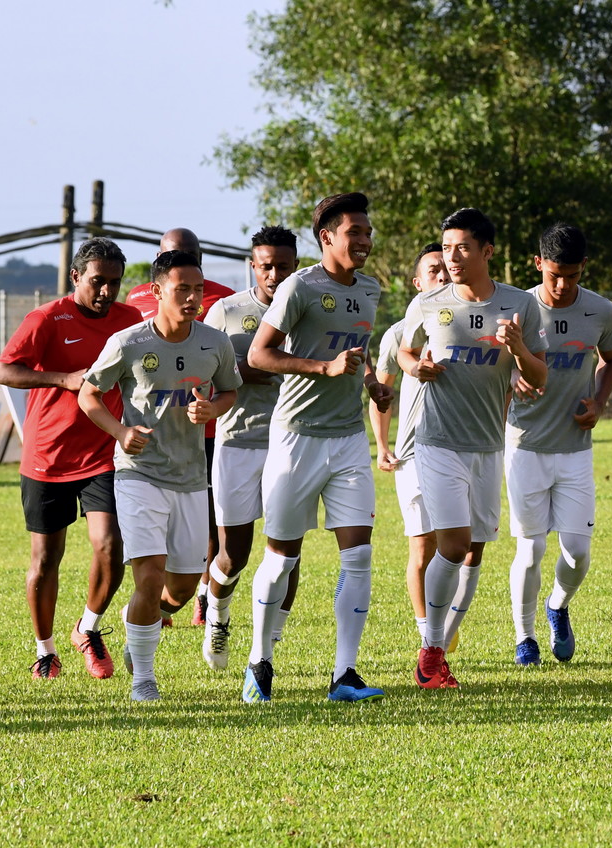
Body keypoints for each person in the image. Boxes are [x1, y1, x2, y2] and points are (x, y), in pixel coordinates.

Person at [243, 192, 392, 703]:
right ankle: (259, 663)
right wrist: (321, 369)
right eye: (355, 232)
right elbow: (259, 355)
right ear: (327, 238)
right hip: (296, 437)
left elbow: (357, 347)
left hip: (349, 437)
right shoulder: (299, 287)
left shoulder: (370, 289)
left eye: (368, 232)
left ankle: (344, 675)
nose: (366, 241)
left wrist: (370, 380)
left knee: (360, 556)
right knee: (282, 558)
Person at [79, 250, 240, 701]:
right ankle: (144, 680)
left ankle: (138, 632)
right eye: (182, 289)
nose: (192, 298)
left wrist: (212, 408)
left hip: (191, 478)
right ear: (157, 291)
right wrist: (120, 431)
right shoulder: (129, 342)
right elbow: (89, 394)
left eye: (198, 289)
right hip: (138, 475)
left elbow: (229, 391)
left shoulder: (215, 343)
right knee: (148, 575)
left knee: (183, 587)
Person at [399, 207, 548, 689]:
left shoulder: (521, 305)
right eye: (446, 248)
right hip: (437, 441)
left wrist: (519, 348)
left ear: (488, 251)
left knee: (475, 548)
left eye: (463, 247)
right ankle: (431, 647)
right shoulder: (429, 302)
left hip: (488, 445)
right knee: (454, 544)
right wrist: (413, 367)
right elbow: (402, 348)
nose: (453, 257)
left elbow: (540, 375)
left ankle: (441, 637)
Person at [0, 238, 141, 679]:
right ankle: (46, 651)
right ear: (76, 277)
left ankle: (90, 628)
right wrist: (63, 379)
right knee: (45, 561)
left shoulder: (129, 319)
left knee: (112, 545)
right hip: (49, 455)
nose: (106, 292)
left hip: (104, 452)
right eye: (98, 282)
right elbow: (6, 368)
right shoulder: (46, 318)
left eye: (114, 283)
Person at [506, 223, 612, 665]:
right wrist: (514, 375)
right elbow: (497, 365)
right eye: (554, 274)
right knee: (531, 548)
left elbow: (609, 361)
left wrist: (600, 401)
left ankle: (558, 606)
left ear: (583, 269)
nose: (562, 284)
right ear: (538, 264)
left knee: (578, 552)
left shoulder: (602, 311)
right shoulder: (518, 308)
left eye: (571, 275)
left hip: (574, 448)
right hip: (525, 445)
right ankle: (525, 637)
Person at [199, 226, 300, 669]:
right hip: (238, 442)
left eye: (282, 265)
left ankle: (268, 649)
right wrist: (245, 370)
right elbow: (201, 372)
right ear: (252, 267)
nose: (274, 274)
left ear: (296, 265)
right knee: (234, 552)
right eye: (266, 266)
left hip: (295, 441)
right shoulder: (226, 311)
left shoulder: (310, 306)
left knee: (288, 553)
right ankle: (217, 617)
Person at [126, 227, 236, 627]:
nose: (191, 295)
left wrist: (214, 406)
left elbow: (227, 375)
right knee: (152, 544)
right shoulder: (138, 296)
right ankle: (147, 602)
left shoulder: (220, 296)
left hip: (205, 432)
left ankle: (202, 594)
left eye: (189, 253)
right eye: (172, 254)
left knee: (210, 518)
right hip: (150, 436)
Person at [369, 243, 449, 664]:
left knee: (461, 546)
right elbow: (381, 393)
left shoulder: (468, 326)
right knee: (424, 547)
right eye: (433, 270)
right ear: (418, 283)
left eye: (446, 269)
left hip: (462, 449)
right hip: (414, 454)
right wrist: (382, 446)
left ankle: (443, 624)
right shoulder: (397, 334)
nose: (442, 276)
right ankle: (427, 638)